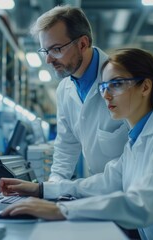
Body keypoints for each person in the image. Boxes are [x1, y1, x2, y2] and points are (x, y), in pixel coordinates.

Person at [0, 48, 153, 239]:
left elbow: (145, 204)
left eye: (116, 84)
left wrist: (62, 210)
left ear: (145, 87)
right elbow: (104, 183)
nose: (106, 95)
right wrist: (41, 189)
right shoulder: (135, 142)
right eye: (104, 86)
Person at [30, 5, 129, 181]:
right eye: (45, 51)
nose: (48, 59)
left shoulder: (124, 80)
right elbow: (66, 148)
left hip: (130, 190)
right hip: (98, 191)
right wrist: (52, 189)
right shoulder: (64, 89)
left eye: (56, 49)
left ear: (83, 44)